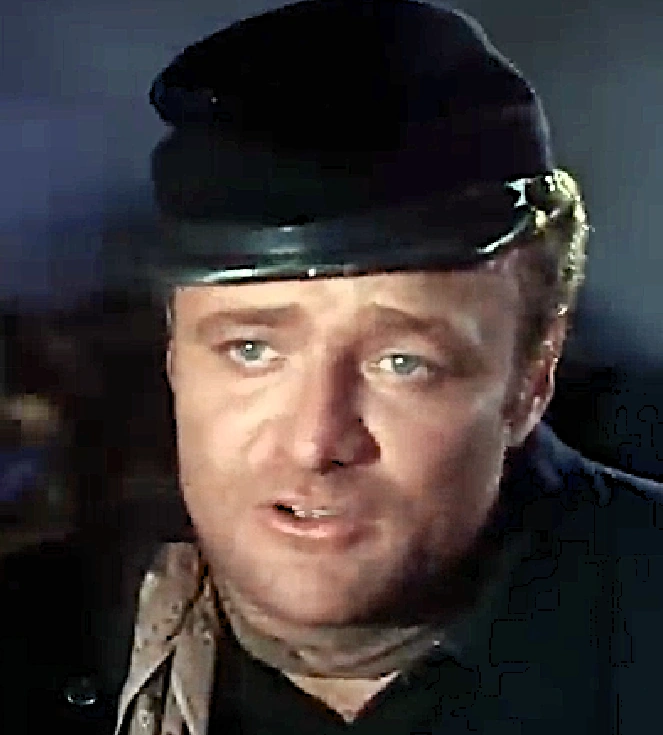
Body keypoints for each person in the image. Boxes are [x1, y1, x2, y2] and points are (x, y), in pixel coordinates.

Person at [2, 1, 663, 733]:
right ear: (173, 356)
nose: (316, 441)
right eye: (251, 350)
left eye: (402, 362)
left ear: (529, 381)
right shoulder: (36, 645)